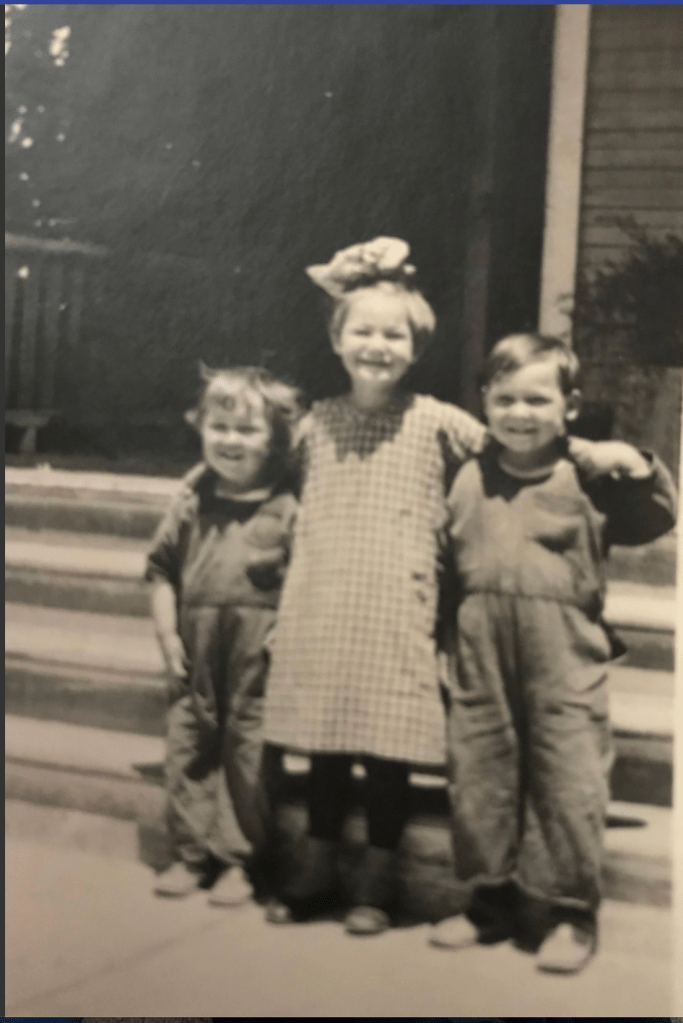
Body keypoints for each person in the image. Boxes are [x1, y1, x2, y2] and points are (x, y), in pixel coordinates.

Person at [430, 332, 677, 972]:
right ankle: (489, 903)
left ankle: (570, 912)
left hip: (564, 652)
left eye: (537, 400)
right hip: (480, 647)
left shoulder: (589, 477)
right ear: (485, 402)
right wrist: (440, 640)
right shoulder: (467, 476)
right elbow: (444, 566)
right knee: (480, 772)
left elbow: (657, 518)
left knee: (570, 779)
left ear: (569, 407)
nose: (520, 413)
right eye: (505, 398)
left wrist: (637, 463)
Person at [262, 237, 489, 935]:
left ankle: (378, 878)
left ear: (415, 348)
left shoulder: (440, 423)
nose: (377, 346)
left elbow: (510, 454)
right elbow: (263, 488)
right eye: (362, 331)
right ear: (337, 340)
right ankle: (317, 865)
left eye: (394, 335)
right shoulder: (314, 427)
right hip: (325, 608)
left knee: (389, 751)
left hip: (397, 611)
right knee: (326, 743)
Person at [147, 365, 301, 905]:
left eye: (247, 430)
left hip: (257, 651)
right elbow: (161, 571)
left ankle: (240, 859)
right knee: (188, 744)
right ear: (200, 428)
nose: (230, 441)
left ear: (274, 439)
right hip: (194, 645)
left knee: (249, 752)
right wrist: (168, 637)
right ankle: (191, 854)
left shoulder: (289, 505)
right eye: (219, 427)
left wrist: (289, 632)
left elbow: (305, 578)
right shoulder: (192, 500)